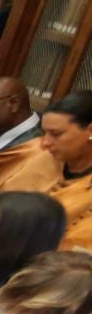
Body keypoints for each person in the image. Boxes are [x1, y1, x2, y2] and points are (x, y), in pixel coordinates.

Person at [40, 89, 92, 249]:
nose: (45, 142)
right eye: (45, 133)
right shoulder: (43, 161)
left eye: (55, 134)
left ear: (90, 131)